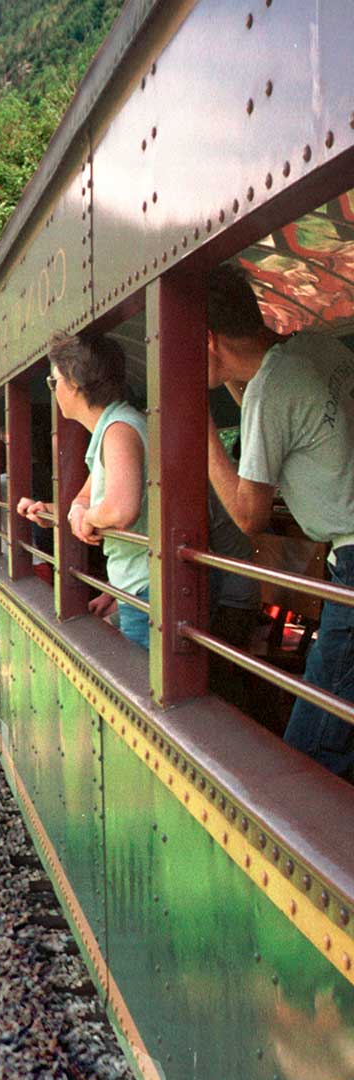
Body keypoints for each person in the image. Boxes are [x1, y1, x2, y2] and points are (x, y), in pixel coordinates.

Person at [205, 261, 354, 775]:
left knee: (313, 745)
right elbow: (265, 400)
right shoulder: (312, 348)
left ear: (207, 341)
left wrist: (200, 432)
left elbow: (249, 516)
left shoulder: (271, 390)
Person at [17, 333, 148, 646]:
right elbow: (87, 497)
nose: (55, 390)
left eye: (54, 381)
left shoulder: (119, 430)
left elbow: (119, 509)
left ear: (74, 383)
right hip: (133, 585)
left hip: (145, 590)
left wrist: (87, 516)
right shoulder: (112, 428)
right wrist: (66, 512)